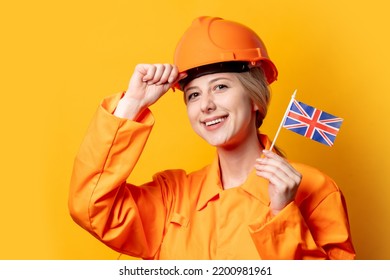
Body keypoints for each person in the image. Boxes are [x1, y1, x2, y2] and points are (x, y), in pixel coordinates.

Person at [68, 16, 355, 259]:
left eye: (220, 87)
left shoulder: (315, 190)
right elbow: (90, 206)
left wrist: (283, 216)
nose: (205, 104)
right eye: (193, 94)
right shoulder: (172, 196)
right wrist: (132, 103)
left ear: (255, 98)